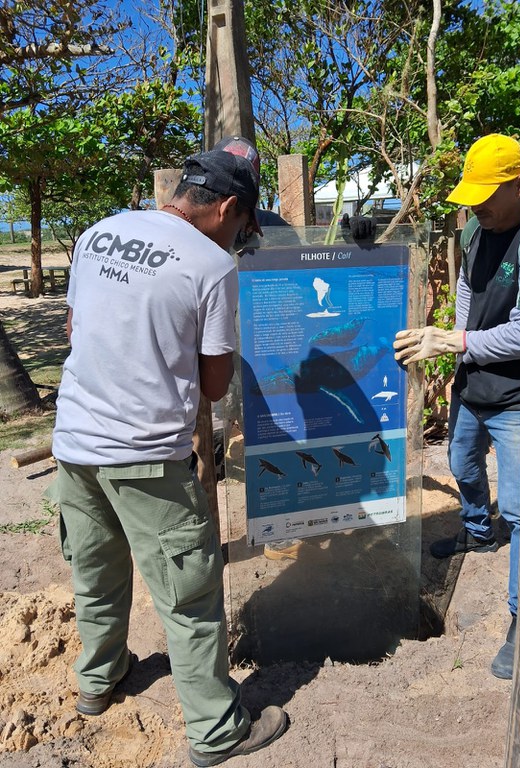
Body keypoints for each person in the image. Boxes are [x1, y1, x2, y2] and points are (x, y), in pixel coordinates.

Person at [50, 139, 288, 766]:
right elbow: (212, 386)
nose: (239, 239)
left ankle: (98, 682)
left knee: (95, 573)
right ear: (227, 207)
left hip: (74, 444)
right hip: (147, 455)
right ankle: (215, 730)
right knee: (189, 596)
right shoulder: (211, 267)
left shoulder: (100, 233)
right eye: (242, 226)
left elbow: (76, 332)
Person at [393, 134, 520, 680]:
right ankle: (479, 530)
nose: (477, 203)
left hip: (519, 395)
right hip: (473, 383)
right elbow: (466, 286)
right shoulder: (478, 225)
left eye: (488, 193)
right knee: (460, 464)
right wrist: (457, 339)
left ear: (519, 184)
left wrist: (453, 343)